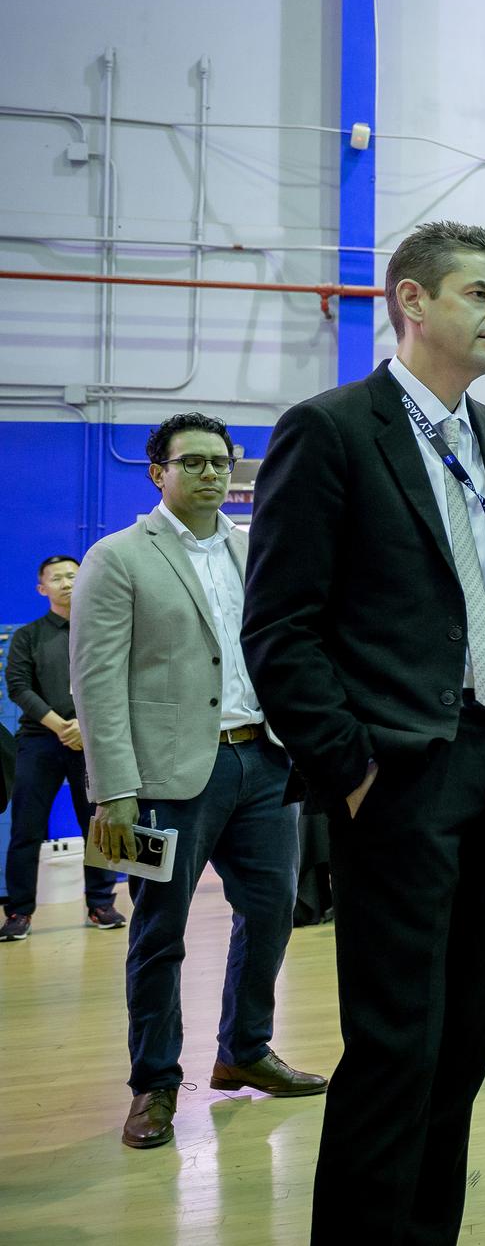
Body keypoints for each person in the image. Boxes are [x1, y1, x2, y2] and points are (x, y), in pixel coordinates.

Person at [241, 220, 485, 1245]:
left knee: (467, 1043)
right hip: (401, 775)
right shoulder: (332, 429)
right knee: (396, 1045)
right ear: (412, 303)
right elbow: (280, 627)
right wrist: (349, 768)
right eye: (480, 294)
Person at [69, 413, 325, 1150]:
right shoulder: (117, 557)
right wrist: (112, 787)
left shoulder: (255, 551)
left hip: (262, 762)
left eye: (223, 462)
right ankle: (153, 1083)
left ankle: (244, 1047)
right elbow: (96, 681)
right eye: (196, 462)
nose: (213, 474)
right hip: (160, 783)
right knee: (158, 934)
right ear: (159, 472)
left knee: (274, 911)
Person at [3, 553, 123, 939]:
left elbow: (117, 681)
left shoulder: (102, 630)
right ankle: (19, 912)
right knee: (26, 828)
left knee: (99, 826)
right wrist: (60, 726)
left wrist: (85, 730)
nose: (67, 583)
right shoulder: (28, 636)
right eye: (57, 578)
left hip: (93, 740)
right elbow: (20, 688)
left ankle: (101, 903)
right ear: (43, 589)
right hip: (40, 740)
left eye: (73, 576)